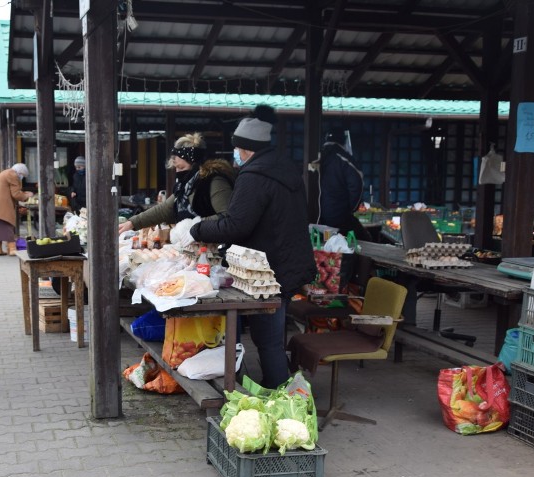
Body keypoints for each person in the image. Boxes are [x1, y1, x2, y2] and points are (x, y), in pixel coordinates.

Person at [188, 105, 316, 389]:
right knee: (271, 333)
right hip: (288, 262)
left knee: (267, 338)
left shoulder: (255, 176)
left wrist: (196, 228)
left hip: (271, 269)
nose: (235, 155)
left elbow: (237, 224)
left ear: (245, 149)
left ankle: (278, 394)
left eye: (237, 150)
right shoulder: (285, 169)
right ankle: (274, 384)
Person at [118, 132, 234, 234]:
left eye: (181, 167)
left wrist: (192, 226)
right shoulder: (184, 187)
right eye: (176, 168)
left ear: (195, 164)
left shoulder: (214, 182)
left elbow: (227, 216)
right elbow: (163, 210)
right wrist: (132, 223)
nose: (178, 172)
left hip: (213, 250)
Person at [316, 127, 371, 241]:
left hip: (315, 217)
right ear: (343, 141)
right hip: (338, 216)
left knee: (324, 245)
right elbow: (357, 184)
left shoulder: (316, 157)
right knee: (363, 240)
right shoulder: (344, 159)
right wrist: (352, 208)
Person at [0, 163, 34, 256]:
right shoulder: (13, 175)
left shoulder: (5, 173)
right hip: (2, 205)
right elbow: (16, 194)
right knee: (7, 225)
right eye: (23, 176)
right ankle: (12, 248)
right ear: (20, 173)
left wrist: (22, 194)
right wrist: (28, 195)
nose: (22, 178)